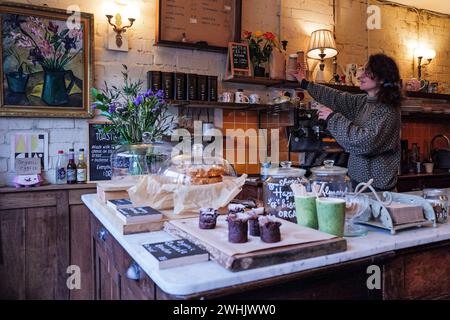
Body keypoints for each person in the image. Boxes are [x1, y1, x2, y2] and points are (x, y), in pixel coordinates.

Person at [292, 53, 402, 191]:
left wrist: (332, 118)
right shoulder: (363, 102)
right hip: (357, 183)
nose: (359, 76)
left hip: (378, 190)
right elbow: (335, 97)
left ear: (382, 78)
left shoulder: (388, 110)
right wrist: (305, 83)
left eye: (367, 73)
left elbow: (365, 142)